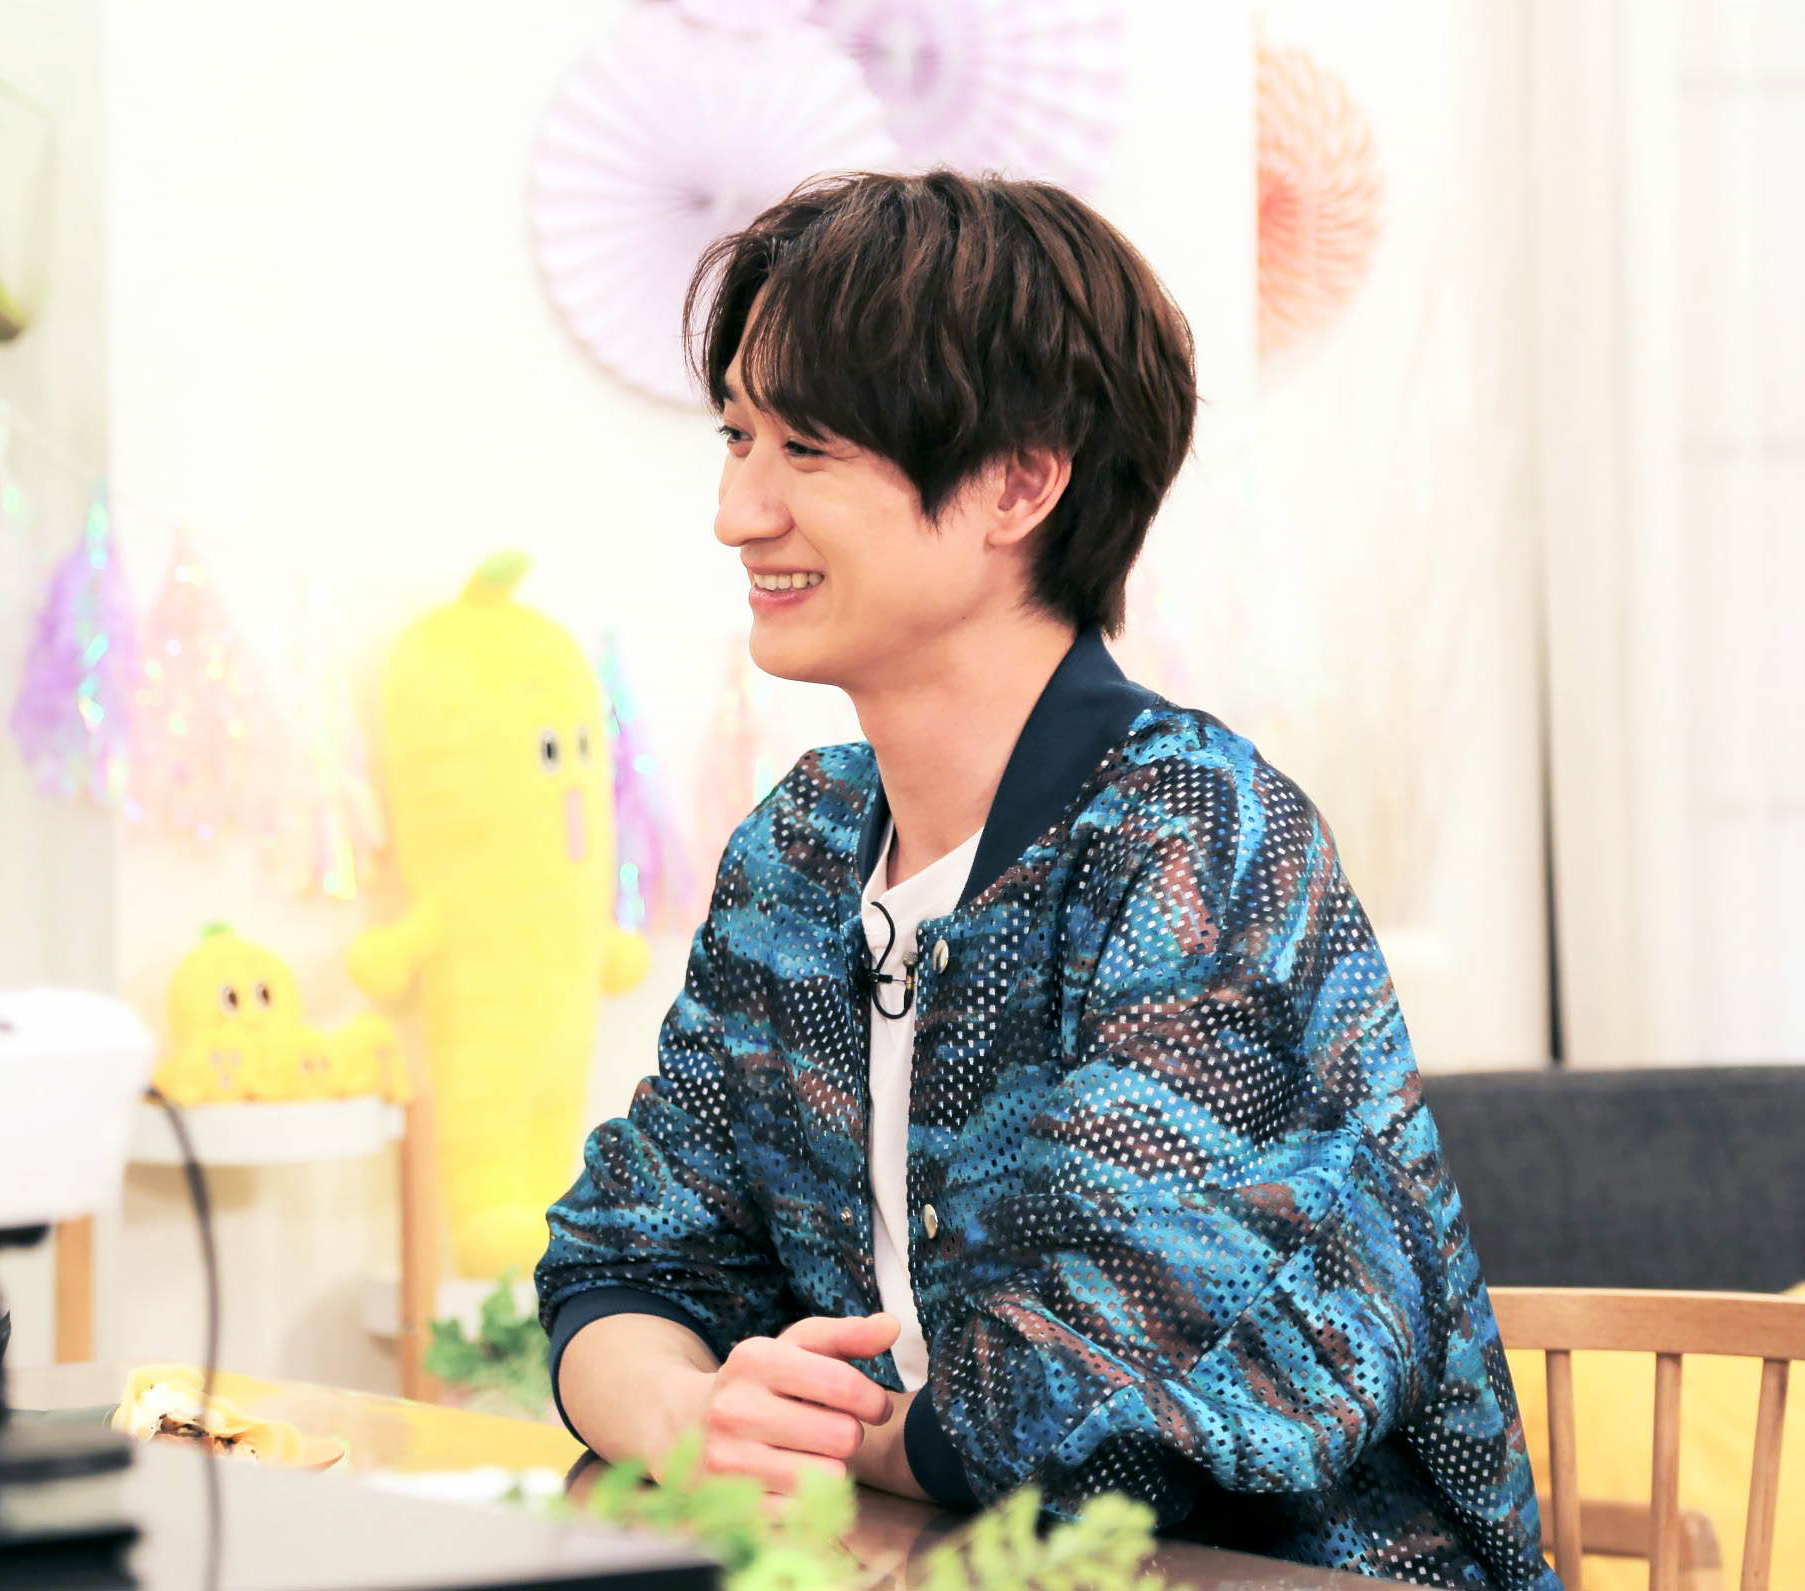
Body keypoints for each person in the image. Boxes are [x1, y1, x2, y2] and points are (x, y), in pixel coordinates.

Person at [535, 170, 1553, 1587]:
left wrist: (822, 1434)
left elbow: (1093, 1400)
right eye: (736, 437)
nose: (737, 511)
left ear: (1021, 482)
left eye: (806, 449)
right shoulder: (801, 849)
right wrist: (688, 1415)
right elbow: (626, 1257)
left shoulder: (1191, 837)